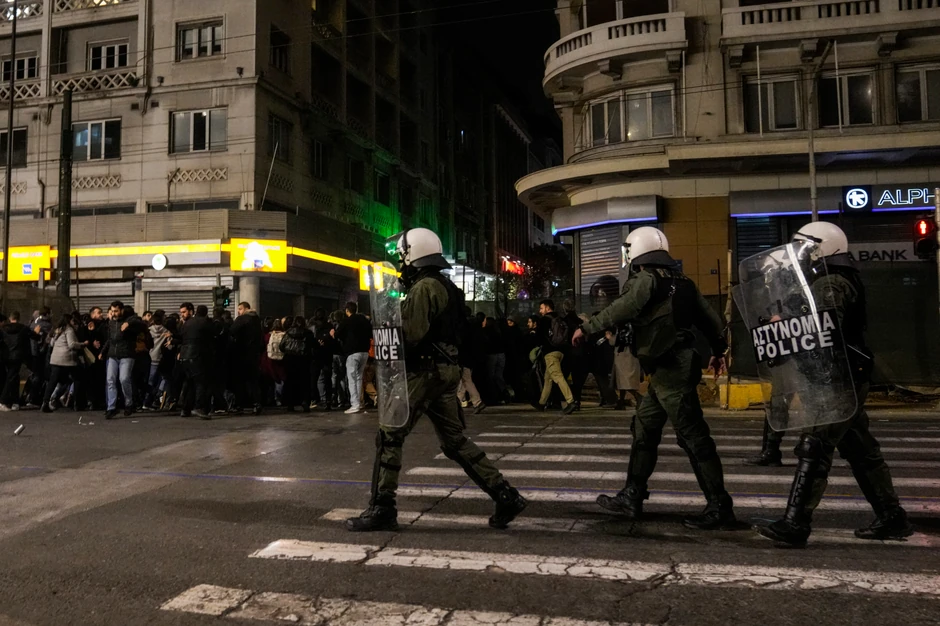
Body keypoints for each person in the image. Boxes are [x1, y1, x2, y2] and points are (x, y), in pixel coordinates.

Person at [346, 227, 527, 532]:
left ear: (413, 254)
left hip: (424, 373)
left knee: (389, 436)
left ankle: (382, 508)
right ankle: (505, 494)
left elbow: (412, 334)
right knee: (455, 442)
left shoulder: (423, 288)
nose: (401, 262)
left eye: (403, 256)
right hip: (446, 372)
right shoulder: (446, 286)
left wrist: (391, 320)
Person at [755, 221, 912, 547]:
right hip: (841, 377)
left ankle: (795, 523)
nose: (800, 256)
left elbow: (823, 329)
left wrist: (786, 324)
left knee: (815, 445)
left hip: (837, 380)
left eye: (805, 248)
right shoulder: (828, 279)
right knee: (860, 450)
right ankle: (893, 517)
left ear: (820, 249)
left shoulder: (831, 283)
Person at [573, 226, 734, 530]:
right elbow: (710, 319)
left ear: (637, 250)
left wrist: (589, 326)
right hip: (665, 371)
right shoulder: (684, 281)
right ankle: (632, 496)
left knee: (694, 437)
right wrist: (718, 350)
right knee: (644, 430)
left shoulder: (647, 279)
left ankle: (720, 505)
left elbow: (626, 306)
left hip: (672, 369)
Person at [101, 301, 146, 419]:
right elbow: (110, 339)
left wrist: (128, 323)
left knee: (124, 379)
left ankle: (129, 403)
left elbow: (140, 322)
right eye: (112, 311)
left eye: (116, 311)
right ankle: (111, 407)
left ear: (121, 310)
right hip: (112, 355)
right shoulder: (111, 323)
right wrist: (102, 352)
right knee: (110, 380)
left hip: (127, 354)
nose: (114, 313)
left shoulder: (130, 320)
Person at [533, 299, 576, 415]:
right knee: (548, 378)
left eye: (541, 308)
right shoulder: (560, 319)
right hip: (561, 351)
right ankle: (542, 403)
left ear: (547, 308)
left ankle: (570, 401)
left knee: (557, 376)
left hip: (550, 352)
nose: (540, 311)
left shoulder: (544, 320)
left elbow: (539, 338)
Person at [178, 304, 217, 419]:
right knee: (201, 382)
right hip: (197, 355)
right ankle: (199, 407)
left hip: (185, 355)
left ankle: (185, 409)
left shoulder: (187, 323)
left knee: (190, 383)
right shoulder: (206, 323)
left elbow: (181, 336)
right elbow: (213, 336)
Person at [333, 301, 372, 414]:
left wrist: (332, 334)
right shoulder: (364, 320)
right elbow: (370, 333)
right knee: (359, 378)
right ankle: (359, 402)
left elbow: (338, 335)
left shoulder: (347, 321)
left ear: (347, 310)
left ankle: (355, 404)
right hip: (365, 352)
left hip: (352, 353)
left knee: (352, 378)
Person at [41, 314, 85, 413]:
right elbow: (71, 344)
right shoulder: (69, 330)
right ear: (69, 321)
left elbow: (51, 343)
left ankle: (45, 402)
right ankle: (76, 403)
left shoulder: (56, 330)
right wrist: (83, 344)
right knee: (77, 378)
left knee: (54, 381)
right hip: (67, 360)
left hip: (55, 359)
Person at [230, 301, 264, 415]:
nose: (238, 311)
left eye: (239, 309)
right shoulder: (257, 320)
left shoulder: (242, 319)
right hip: (254, 355)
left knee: (239, 381)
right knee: (253, 381)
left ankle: (239, 404)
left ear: (245, 309)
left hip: (242, 354)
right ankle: (256, 403)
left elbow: (232, 331)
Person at [0, 312, 32, 410]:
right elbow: (34, 336)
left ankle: (13, 401)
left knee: (11, 377)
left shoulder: (3, 329)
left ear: (10, 318)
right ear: (18, 318)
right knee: (12, 378)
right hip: (17, 356)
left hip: (5, 356)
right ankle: (4, 401)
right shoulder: (24, 328)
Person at [24, 306, 53, 409]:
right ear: (47, 314)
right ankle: (33, 398)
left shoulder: (33, 323)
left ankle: (28, 396)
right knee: (39, 376)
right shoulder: (46, 325)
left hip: (32, 353)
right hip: (40, 354)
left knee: (34, 375)